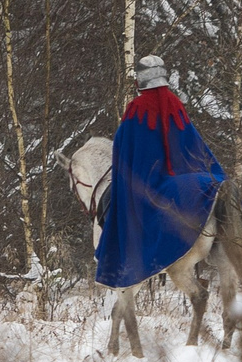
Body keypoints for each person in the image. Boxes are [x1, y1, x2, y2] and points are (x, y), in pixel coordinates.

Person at [95, 55, 226, 290]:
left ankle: (125, 261)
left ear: (140, 81)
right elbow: (192, 142)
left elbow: (123, 147)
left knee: (117, 205)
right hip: (181, 174)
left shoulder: (136, 108)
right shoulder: (175, 103)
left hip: (148, 181)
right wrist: (213, 170)